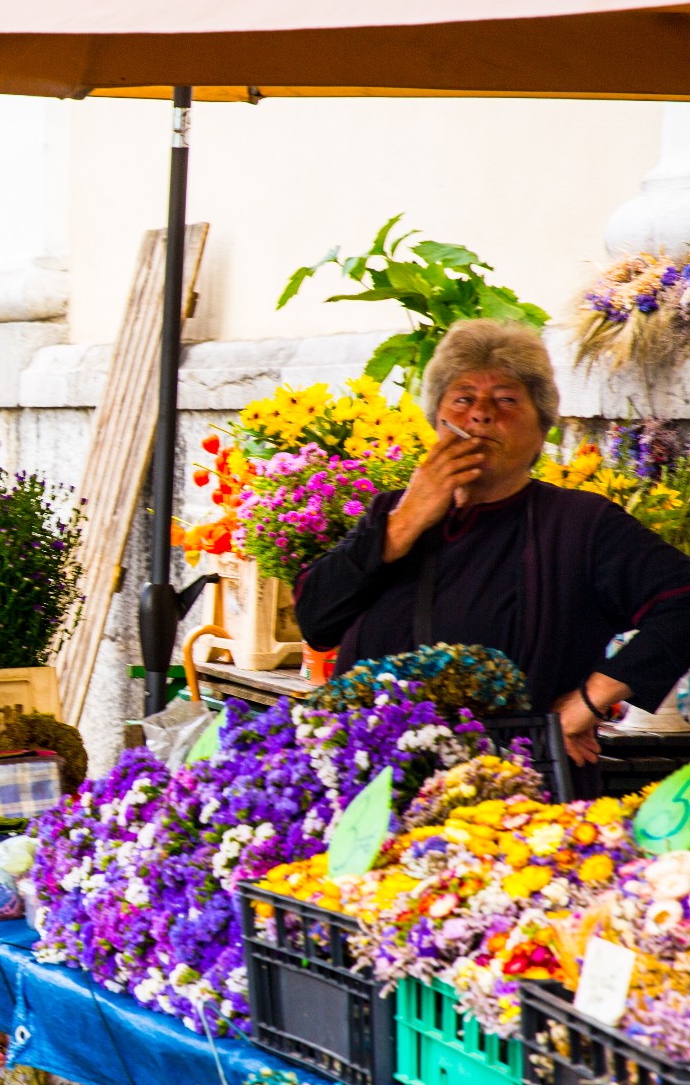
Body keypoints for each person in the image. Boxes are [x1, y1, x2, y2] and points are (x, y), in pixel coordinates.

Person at [295, 319, 690, 775]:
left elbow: (682, 601)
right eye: (463, 399)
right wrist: (403, 523)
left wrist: (590, 700)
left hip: (509, 800)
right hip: (366, 785)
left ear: (541, 432)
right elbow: (316, 619)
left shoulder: (579, 524)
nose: (481, 414)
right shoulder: (391, 513)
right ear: (437, 420)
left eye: (505, 400)